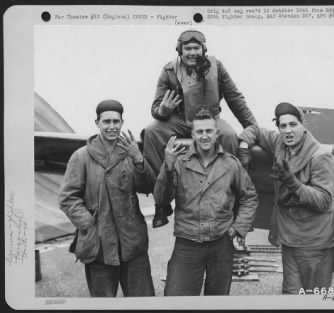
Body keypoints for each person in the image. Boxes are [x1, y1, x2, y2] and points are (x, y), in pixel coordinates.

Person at [142, 29, 257, 228]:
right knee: (151, 132)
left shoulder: (217, 67)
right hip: (179, 119)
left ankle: (233, 196)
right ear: (180, 50)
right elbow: (156, 108)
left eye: (196, 48)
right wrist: (163, 111)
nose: (192, 52)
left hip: (209, 118)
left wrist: (251, 125)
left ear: (203, 50)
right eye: (187, 48)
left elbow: (234, 97)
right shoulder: (169, 71)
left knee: (229, 136)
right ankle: (160, 200)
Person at [153, 109, 258, 296]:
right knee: (176, 301)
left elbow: (249, 197)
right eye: (199, 132)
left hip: (221, 245)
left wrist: (238, 228)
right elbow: (162, 199)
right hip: (187, 244)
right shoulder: (178, 163)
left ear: (217, 133)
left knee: (217, 303)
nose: (204, 136)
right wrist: (167, 167)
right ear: (192, 134)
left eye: (209, 131)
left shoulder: (231, 164)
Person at [238, 102, 334, 294]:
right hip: (290, 240)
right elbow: (255, 130)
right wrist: (243, 149)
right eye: (283, 126)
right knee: (291, 297)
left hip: (314, 244)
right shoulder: (280, 144)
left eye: (293, 124)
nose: (288, 131)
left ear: (303, 124)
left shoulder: (320, 157)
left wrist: (293, 184)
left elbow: (324, 200)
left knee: (314, 300)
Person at [59, 100, 155, 297]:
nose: (112, 126)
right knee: (103, 303)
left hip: (132, 242)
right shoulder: (81, 157)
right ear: (97, 123)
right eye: (107, 121)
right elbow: (68, 198)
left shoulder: (131, 151)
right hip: (99, 245)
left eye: (116, 121)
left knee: (143, 302)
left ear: (122, 122)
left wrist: (138, 160)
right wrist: (89, 224)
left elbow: (148, 187)